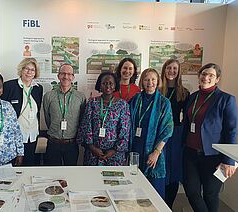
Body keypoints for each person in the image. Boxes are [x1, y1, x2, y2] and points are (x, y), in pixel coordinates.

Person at [182, 63, 237, 212]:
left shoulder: (226, 100)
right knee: (192, 192)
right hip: (190, 153)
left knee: (210, 195)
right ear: (199, 76)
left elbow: (231, 131)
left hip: (214, 156)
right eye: (204, 74)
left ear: (217, 79)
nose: (206, 77)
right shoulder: (192, 97)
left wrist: (229, 160)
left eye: (211, 75)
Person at [129, 68, 173, 199]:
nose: (150, 82)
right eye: (146, 79)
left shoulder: (164, 102)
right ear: (142, 81)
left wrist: (156, 152)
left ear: (158, 81)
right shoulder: (135, 99)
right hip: (136, 148)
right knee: (134, 188)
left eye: (153, 79)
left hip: (154, 150)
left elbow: (168, 129)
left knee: (154, 192)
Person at [77, 71, 130, 166]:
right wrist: (92, 147)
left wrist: (114, 150)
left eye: (110, 83)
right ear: (100, 86)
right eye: (104, 83)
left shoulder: (122, 105)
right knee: (92, 179)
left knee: (113, 180)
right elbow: (86, 125)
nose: (107, 86)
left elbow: (125, 130)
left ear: (115, 86)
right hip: (93, 154)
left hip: (115, 155)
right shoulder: (92, 102)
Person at [1, 58, 43, 166]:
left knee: (29, 164)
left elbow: (37, 112)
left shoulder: (38, 89)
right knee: (15, 166)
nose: (29, 72)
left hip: (32, 135)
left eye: (32, 70)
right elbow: (2, 112)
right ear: (21, 69)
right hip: (15, 136)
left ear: (35, 73)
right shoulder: (9, 86)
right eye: (26, 69)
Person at [160, 59, 190, 209]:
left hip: (176, 135)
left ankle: (168, 206)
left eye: (174, 69)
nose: (171, 71)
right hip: (159, 134)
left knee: (174, 172)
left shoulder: (184, 93)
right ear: (164, 70)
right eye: (169, 68)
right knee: (161, 169)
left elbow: (187, 118)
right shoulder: (158, 90)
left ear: (178, 72)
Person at [43, 64, 86, 166]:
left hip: (71, 144)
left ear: (73, 77)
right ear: (58, 76)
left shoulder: (80, 97)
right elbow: (47, 118)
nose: (66, 77)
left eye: (69, 74)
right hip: (53, 143)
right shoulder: (48, 96)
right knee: (52, 176)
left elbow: (82, 119)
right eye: (63, 73)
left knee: (71, 174)